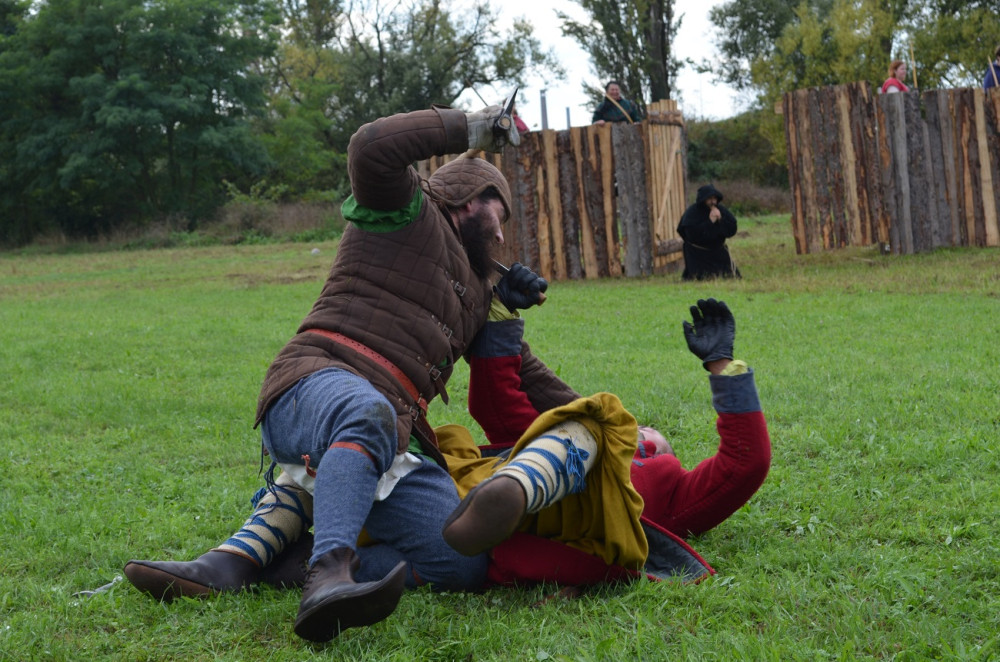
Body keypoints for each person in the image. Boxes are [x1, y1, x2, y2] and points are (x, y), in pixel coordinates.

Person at [123, 104, 567, 644]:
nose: (501, 236)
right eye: (499, 213)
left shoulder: (479, 294)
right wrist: (474, 127)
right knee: (367, 411)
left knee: (460, 560)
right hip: (316, 380)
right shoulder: (403, 209)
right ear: (469, 197)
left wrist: (607, 423)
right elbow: (371, 146)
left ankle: (251, 566)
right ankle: (328, 574)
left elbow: (527, 377)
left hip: (392, 429)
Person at [125, 298, 770, 599]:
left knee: (596, 420)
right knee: (365, 455)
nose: (652, 434)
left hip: (494, 535)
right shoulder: (513, 446)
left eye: (655, 440)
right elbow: (503, 410)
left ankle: (264, 566)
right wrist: (501, 319)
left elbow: (743, 467)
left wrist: (724, 369)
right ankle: (237, 563)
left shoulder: (661, 492)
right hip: (454, 502)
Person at [677, 184, 741, 280]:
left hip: (718, 251)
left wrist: (721, 219)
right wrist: (710, 222)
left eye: (714, 198)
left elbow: (731, 229)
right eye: (709, 199)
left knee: (730, 277)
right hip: (698, 253)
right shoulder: (692, 212)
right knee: (700, 278)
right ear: (703, 199)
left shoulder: (721, 210)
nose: (713, 202)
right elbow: (690, 234)